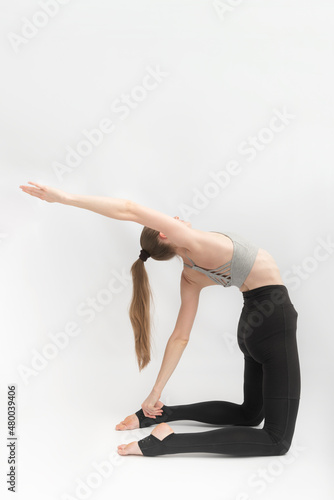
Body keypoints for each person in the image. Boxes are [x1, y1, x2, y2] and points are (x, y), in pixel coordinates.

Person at [19, 181, 301, 457]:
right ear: (165, 234)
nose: (176, 219)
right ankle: (167, 442)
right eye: (170, 221)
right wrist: (65, 197)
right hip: (272, 323)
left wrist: (154, 395)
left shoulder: (190, 274)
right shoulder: (194, 242)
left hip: (252, 328)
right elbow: (129, 209)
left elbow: (180, 337)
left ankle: (160, 416)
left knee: (250, 414)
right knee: (277, 440)